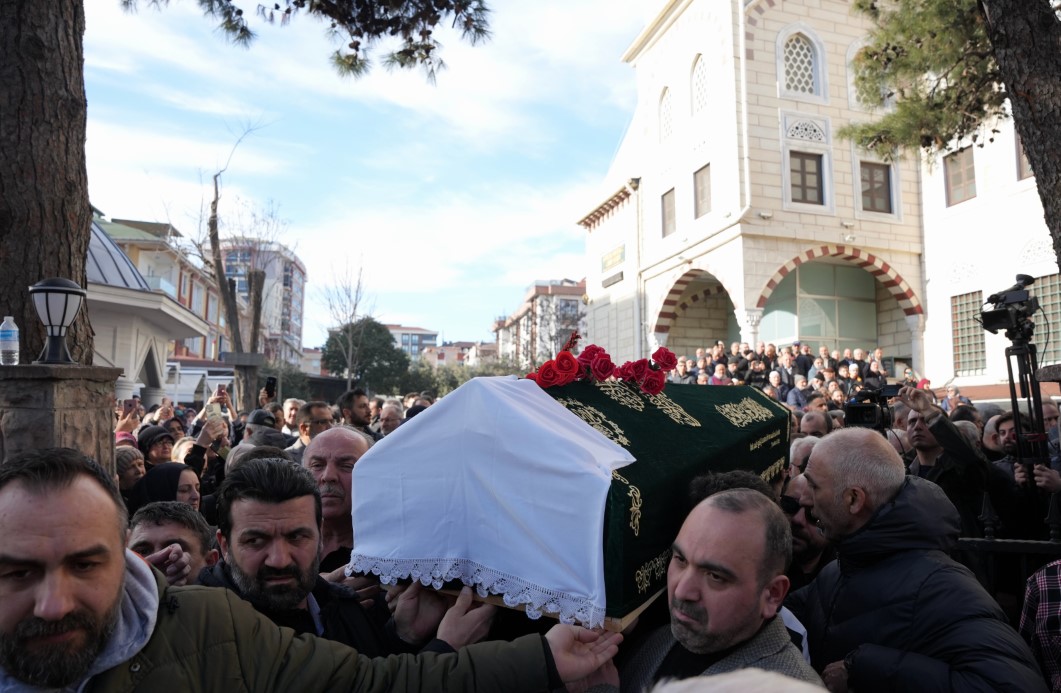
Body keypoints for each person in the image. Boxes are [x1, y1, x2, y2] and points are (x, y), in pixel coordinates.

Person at [0, 448, 622, 691]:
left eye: (85, 564)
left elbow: (380, 688)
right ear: (220, 542)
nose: (54, 602)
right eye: (18, 573)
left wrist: (543, 659)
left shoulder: (213, 631)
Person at [788, 428, 1046, 691]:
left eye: (814, 485)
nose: (806, 499)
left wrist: (866, 669)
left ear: (854, 499)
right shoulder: (835, 574)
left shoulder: (941, 588)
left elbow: (1014, 686)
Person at [597, 489, 820, 691]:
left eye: (715, 576)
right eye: (680, 560)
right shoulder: (658, 641)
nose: (682, 591)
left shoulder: (789, 686)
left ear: (772, 594)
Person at [302, 427, 367, 572]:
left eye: (347, 466)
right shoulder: (281, 540)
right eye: (317, 465)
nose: (328, 476)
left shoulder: (389, 552)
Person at [128, 500, 219, 585]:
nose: (156, 561)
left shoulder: (229, 600)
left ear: (210, 561)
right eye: (143, 551)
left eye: (172, 550)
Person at [126, 462, 201, 516]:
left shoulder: (206, 533)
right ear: (161, 493)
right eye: (184, 490)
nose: (196, 496)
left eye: (198, 489)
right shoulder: (144, 536)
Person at [285, 400, 334, 464]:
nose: (331, 427)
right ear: (304, 428)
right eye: (322, 422)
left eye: (332, 421)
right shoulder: (286, 459)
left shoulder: (337, 454)